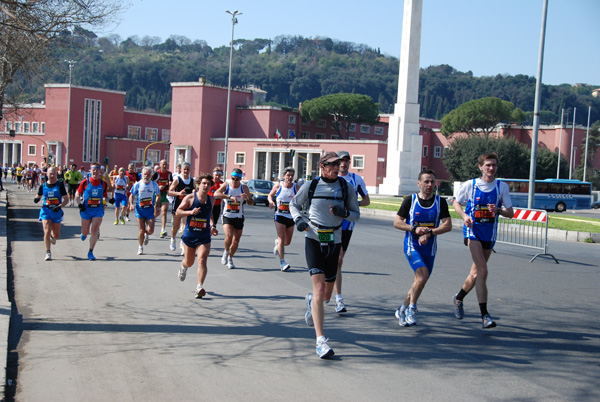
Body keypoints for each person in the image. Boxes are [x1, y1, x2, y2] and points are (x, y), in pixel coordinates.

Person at [289, 152, 360, 359]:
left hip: (334, 241)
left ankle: (312, 302)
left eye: (339, 163)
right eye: (332, 164)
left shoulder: (346, 188)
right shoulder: (311, 186)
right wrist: (299, 220)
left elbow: (356, 215)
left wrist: (344, 212)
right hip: (313, 237)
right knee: (319, 287)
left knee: (325, 296)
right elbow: (294, 204)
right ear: (322, 166)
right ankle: (320, 341)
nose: (337, 167)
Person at [452, 152, 514, 329]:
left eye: (494, 165)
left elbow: (511, 213)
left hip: (489, 234)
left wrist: (498, 210)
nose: (491, 168)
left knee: (476, 274)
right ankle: (485, 315)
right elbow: (456, 202)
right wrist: (464, 216)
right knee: (483, 270)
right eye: (488, 165)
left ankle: (458, 298)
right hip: (473, 232)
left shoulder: (502, 187)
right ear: (480, 167)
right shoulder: (471, 185)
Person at [393, 170, 452, 326]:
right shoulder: (410, 201)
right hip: (412, 247)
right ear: (419, 183)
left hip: (430, 249)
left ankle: (402, 309)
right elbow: (397, 222)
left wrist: (430, 233)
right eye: (426, 181)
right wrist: (414, 229)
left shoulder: (440, 202)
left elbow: (448, 225)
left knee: (419, 281)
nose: (430, 185)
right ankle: (412, 308)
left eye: (432, 182)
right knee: (422, 277)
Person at [323, 150, 371, 314]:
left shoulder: (356, 179)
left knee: (338, 260)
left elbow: (366, 200)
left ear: (349, 163)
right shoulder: (329, 177)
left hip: (346, 225)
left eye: (346, 161)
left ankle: (338, 299)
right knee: (327, 258)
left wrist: (352, 204)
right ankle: (324, 288)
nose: (343, 164)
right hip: (328, 223)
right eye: (340, 161)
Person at [176, 174, 219, 298]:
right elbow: (178, 212)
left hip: (204, 235)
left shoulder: (211, 200)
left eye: (208, 184)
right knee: (190, 262)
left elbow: (209, 215)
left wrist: (212, 226)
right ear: (198, 185)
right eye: (204, 183)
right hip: (190, 234)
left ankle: (199, 286)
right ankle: (183, 266)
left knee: (202, 259)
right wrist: (190, 212)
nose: (206, 186)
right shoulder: (190, 198)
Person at [214, 168, 254, 269]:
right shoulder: (226, 185)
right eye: (233, 178)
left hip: (239, 216)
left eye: (237, 179)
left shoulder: (244, 187)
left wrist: (246, 198)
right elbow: (216, 194)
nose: (234, 181)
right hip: (227, 215)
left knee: (236, 240)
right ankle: (226, 252)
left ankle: (230, 258)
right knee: (229, 236)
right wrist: (229, 196)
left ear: (240, 179)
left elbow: (251, 202)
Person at [77, 164, 112, 261]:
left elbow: (105, 196)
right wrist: (79, 203)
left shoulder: (103, 184)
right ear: (90, 171)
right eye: (93, 170)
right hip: (86, 210)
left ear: (100, 172)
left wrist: (110, 200)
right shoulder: (85, 182)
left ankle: (90, 252)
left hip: (98, 210)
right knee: (85, 232)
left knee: (94, 231)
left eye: (97, 170)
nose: (95, 172)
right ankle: (83, 233)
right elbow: (77, 193)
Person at [268, 166, 300, 271]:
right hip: (279, 215)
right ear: (284, 176)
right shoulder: (278, 186)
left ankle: (277, 244)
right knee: (282, 238)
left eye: (291, 175)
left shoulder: (296, 187)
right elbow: (270, 195)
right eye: (288, 175)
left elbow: (301, 198)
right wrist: (271, 201)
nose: (290, 177)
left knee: (287, 242)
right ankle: (282, 262)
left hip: (291, 216)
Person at [34, 166, 69, 260]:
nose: (52, 175)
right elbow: (39, 194)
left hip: (56, 211)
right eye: (50, 174)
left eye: (54, 174)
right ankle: (48, 252)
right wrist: (36, 198)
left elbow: (66, 199)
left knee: (56, 235)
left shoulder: (60, 185)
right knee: (47, 231)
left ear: (56, 174)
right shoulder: (43, 185)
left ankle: (53, 238)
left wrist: (60, 207)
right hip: (45, 211)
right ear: (47, 174)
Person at [129, 167, 161, 255]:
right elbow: (131, 195)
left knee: (150, 231)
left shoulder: (154, 185)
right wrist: (131, 204)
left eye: (148, 174)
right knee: (141, 230)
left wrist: (157, 205)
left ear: (151, 175)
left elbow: (158, 195)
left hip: (150, 210)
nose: (146, 176)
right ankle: (140, 247)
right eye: (145, 174)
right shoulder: (138, 184)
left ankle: (147, 235)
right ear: (142, 175)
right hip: (140, 210)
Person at [168, 162, 195, 253]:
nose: (186, 171)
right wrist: (179, 193)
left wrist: (194, 193)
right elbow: (169, 192)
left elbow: (195, 191)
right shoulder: (177, 179)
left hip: (187, 207)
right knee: (176, 227)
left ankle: (183, 244)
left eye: (187, 169)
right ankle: (173, 239)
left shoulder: (192, 181)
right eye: (184, 169)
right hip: (177, 206)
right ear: (181, 170)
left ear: (190, 170)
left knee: (185, 226)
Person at [151, 159, 173, 238]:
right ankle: (150, 223)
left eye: (165, 164)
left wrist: (170, 186)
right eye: (163, 164)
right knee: (156, 213)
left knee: (164, 212)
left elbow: (172, 183)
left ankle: (163, 230)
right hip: (157, 195)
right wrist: (158, 187)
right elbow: (151, 183)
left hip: (165, 195)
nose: (164, 165)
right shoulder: (157, 174)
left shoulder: (169, 174)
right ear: (160, 165)